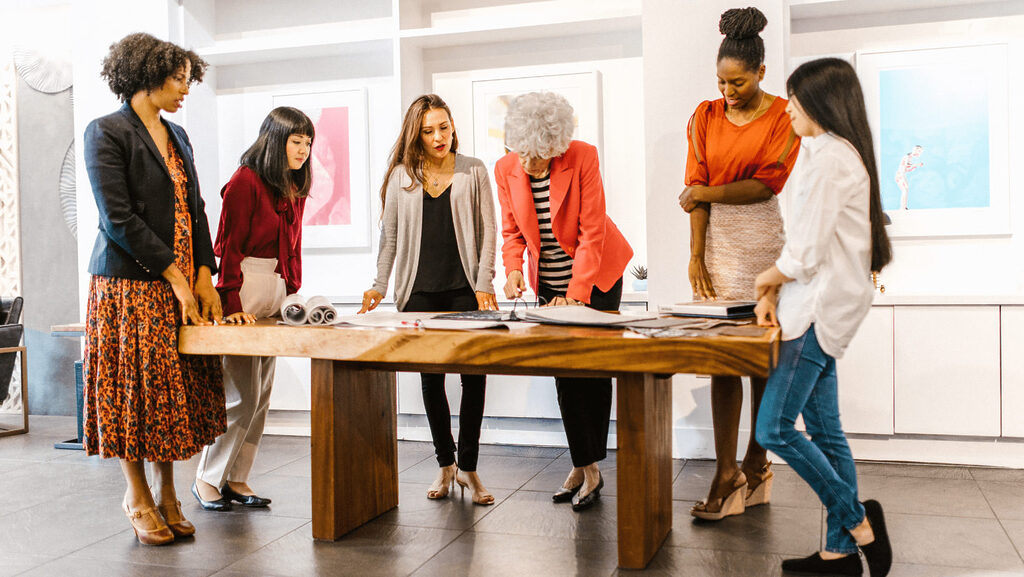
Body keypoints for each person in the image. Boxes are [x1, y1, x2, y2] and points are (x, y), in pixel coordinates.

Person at [82, 32, 225, 545]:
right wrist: (176, 276)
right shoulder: (105, 131)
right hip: (129, 286)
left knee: (170, 392)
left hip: (179, 283)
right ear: (148, 73)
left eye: (189, 79)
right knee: (134, 393)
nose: (186, 88)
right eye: (178, 78)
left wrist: (204, 274)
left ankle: (168, 492)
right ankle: (137, 493)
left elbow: (195, 209)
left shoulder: (178, 135)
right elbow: (117, 218)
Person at [753, 57, 894, 577]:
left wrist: (766, 280)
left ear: (820, 103)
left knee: (773, 430)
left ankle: (858, 522)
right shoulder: (827, 153)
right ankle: (838, 555)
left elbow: (806, 251)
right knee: (826, 431)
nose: (787, 108)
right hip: (817, 307)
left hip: (815, 311)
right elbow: (808, 242)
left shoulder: (832, 157)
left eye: (795, 99)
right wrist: (775, 290)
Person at [679, 6, 800, 521]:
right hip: (718, 248)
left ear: (761, 72)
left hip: (763, 243)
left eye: (738, 82)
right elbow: (695, 190)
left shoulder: (783, 116)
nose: (728, 91)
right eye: (721, 82)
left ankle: (757, 461)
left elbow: (765, 186)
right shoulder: (705, 116)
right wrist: (695, 255)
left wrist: (703, 192)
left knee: (761, 359)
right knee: (720, 359)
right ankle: (726, 471)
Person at [495, 91, 633, 512]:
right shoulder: (506, 167)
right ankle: (584, 465)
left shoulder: (583, 157)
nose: (527, 163)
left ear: (555, 147)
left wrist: (575, 298)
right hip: (549, 282)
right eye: (521, 152)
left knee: (592, 370)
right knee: (563, 372)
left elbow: (592, 233)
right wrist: (513, 270)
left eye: (537, 155)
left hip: (597, 278)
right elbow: (512, 232)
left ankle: (588, 467)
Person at [359, 94, 497, 506]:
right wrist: (379, 285)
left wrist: (484, 282)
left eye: (444, 127)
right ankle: (445, 464)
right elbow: (390, 238)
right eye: (428, 131)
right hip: (418, 293)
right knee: (431, 380)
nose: (439, 137)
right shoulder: (402, 176)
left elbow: (489, 231)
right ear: (415, 135)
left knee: (474, 378)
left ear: (453, 127)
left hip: (465, 290)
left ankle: (469, 467)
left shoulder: (473, 170)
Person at [193, 107, 313, 511]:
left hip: (274, 291)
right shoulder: (245, 180)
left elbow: (293, 248)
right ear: (276, 141)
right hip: (242, 288)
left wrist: (291, 294)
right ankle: (207, 479)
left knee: (261, 396)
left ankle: (237, 477)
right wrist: (230, 303)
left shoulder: (292, 185)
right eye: (296, 141)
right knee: (240, 394)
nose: (303, 150)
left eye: (308, 142)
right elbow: (229, 246)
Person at [895, 145, 923, 210]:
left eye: (921, 151)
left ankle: (904, 206)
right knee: (904, 190)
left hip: (901, 175)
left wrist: (916, 165)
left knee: (905, 190)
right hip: (900, 175)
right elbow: (903, 169)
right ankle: (902, 207)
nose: (920, 153)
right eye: (919, 151)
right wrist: (904, 180)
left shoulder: (909, 158)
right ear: (915, 150)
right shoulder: (907, 157)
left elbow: (906, 169)